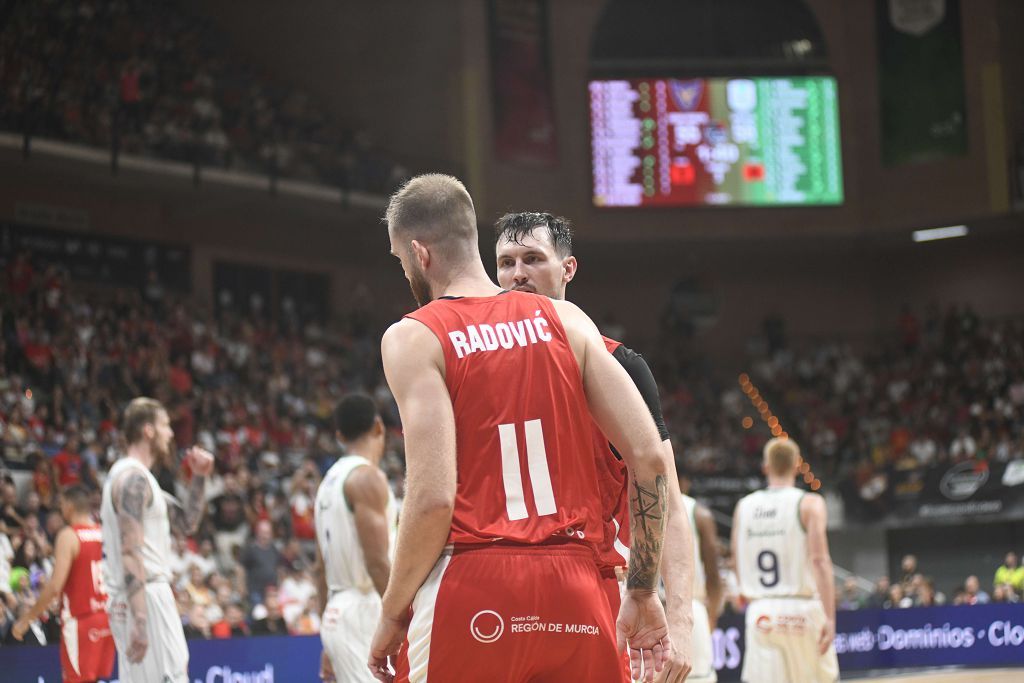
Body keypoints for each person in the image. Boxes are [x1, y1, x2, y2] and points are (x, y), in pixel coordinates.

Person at [368, 175, 674, 683]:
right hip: (575, 586)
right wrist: (642, 590)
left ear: (420, 254)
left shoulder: (413, 336)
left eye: (401, 261)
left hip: (475, 583)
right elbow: (650, 458)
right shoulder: (568, 320)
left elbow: (433, 500)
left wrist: (393, 610)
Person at [494, 211, 695, 681]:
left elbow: (670, 499)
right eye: (505, 262)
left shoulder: (618, 364)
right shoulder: (466, 358)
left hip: (596, 586)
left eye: (532, 259)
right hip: (495, 585)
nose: (517, 273)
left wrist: (682, 618)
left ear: (568, 269)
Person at [100, 397, 213, 683]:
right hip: (145, 595)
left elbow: (186, 523)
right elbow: (130, 551)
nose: (171, 433)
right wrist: (140, 618)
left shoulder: (133, 478)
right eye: (165, 425)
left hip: (137, 595)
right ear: (148, 430)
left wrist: (199, 477)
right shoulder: (133, 480)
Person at [732, 437, 839, 683]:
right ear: (796, 466)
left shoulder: (744, 507)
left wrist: (743, 593)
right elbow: (820, 561)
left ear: (765, 466)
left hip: (762, 611)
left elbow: (737, 560)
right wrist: (830, 618)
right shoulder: (810, 504)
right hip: (803, 608)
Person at [316, 394, 397, 682]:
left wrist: (329, 632)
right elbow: (376, 562)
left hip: (339, 610)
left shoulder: (327, 483)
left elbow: (320, 568)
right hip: (365, 607)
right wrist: (400, 620)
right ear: (379, 426)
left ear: (339, 436)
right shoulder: (366, 478)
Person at [12, 485, 116, 682]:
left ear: (69, 506)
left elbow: (55, 586)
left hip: (81, 619)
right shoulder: (102, 533)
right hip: (105, 618)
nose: (60, 510)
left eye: (60, 505)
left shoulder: (69, 535)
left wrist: (26, 619)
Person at [680, 492, 723, 683]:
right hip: (690, 608)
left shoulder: (635, 500)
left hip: (646, 605)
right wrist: (712, 616)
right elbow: (713, 575)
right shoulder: (698, 513)